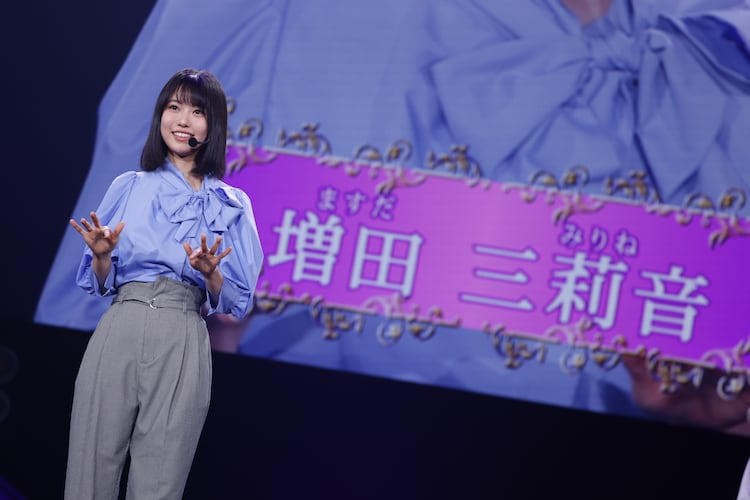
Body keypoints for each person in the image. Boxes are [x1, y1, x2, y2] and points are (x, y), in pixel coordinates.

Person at [64, 68, 264, 499]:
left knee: (160, 475)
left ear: (213, 126)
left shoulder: (231, 203)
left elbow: (237, 301)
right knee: (91, 462)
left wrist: (211, 273)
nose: (182, 120)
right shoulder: (129, 186)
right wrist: (102, 256)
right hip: (124, 320)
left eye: (197, 111)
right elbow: (99, 282)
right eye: (174, 107)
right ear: (160, 115)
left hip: (183, 328)